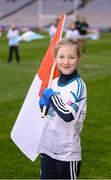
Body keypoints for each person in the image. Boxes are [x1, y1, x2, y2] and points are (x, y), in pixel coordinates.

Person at [38, 39, 87, 179]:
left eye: (71, 57)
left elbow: (68, 115)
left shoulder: (78, 86)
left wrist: (52, 96)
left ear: (78, 59)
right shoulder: (52, 83)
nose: (66, 61)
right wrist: (43, 105)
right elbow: (48, 114)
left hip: (67, 153)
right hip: (47, 148)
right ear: (55, 59)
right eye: (61, 57)